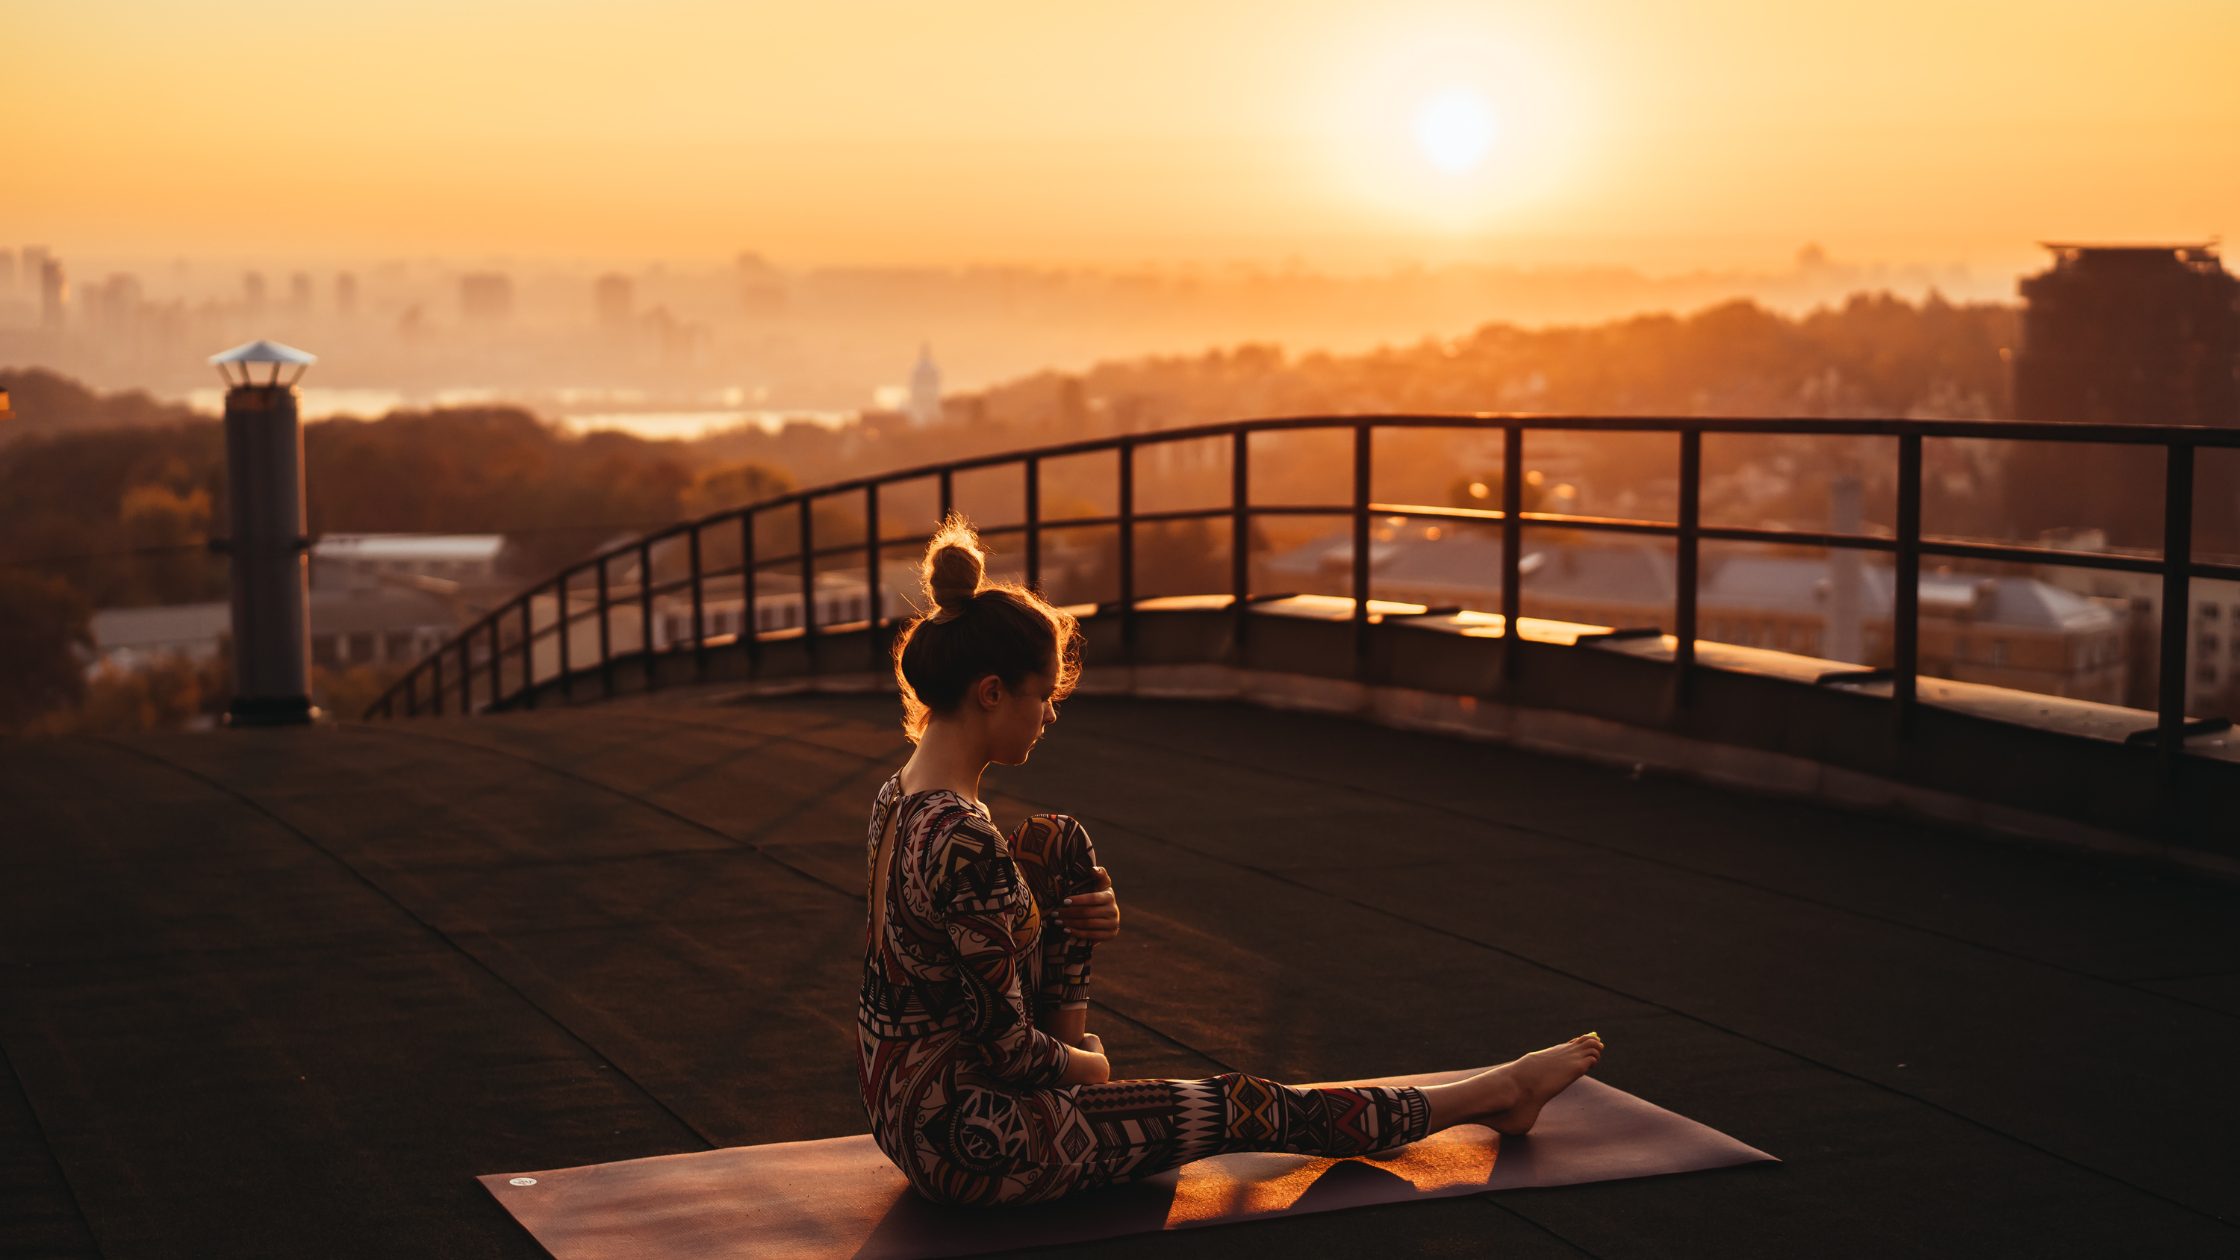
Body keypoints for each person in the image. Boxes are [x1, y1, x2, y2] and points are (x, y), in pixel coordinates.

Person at [858, 517, 1604, 1208]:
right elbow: (1011, 1052)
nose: (1049, 715)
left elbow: (943, 968)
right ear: (991, 692)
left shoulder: (901, 797)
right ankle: (1491, 1096)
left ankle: (1079, 1084)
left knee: (1058, 841)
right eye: (1042, 697)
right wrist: (1091, 1065)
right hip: (975, 1143)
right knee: (1248, 1103)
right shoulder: (966, 841)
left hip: (905, 1112)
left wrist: (1069, 923)